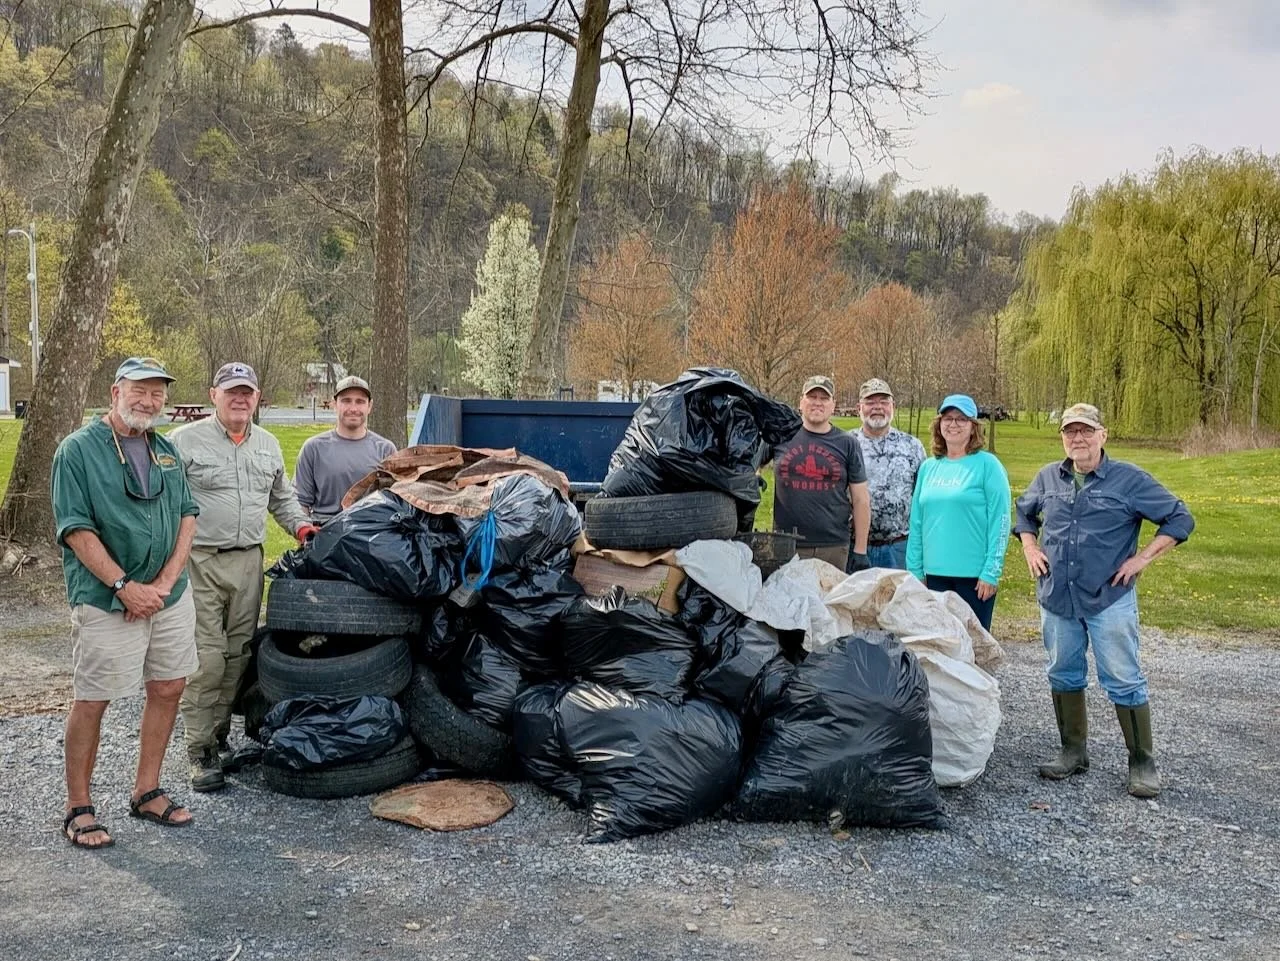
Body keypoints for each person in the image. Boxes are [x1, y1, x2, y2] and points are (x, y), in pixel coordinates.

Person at [51, 357, 200, 847]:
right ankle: (79, 806)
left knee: (169, 686)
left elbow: (187, 516)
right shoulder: (77, 451)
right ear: (116, 391)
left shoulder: (166, 451)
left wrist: (164, 583)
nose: (148, 401)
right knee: (94, 698)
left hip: (167, 596)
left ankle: (146, 790)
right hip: (106, 597)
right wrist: (123, 587)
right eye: (140, 390)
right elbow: (75, 528)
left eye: (157, 393)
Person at [1014, 403, 1194, 798]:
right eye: (1070, 432)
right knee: (1063, 672)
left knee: (1124, 678)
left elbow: (1180, 519)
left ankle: (1142, 763)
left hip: (1108, 599)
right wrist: (1029, 546)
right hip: (1057, 597)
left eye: (1085, 431)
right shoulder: (1048, 477)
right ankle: (1072, 752)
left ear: (1102, 435)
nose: (1077, 439)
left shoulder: (1129, 480)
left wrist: (1142, 558)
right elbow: (1024, 514)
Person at [170, 362, 319, 792]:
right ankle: (198, 751)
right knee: (205, 658)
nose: (240, 399)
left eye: (247, 392)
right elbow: (161, 505)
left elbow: (283, 501)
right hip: (199, 561)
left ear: (257, 398)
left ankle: (218, 739)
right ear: (213, 394)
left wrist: (302, 528)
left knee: (238, 655)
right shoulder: (183, 442)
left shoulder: (268, 445)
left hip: (248, 561)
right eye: (231, 391)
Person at [906, 393, 1010, 630]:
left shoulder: (988, 465)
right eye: (948, 418)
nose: (953, 424)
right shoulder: (929, 467)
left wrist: (991, 571)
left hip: (974, 580)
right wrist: (914, 570)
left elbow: (1001, 520)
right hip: (933, 576)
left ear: (973, 427)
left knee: (973, 652)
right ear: (939, 424)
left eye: (961, 419)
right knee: (937, 647)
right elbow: (917, 522)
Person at [770, 375, 870, 570]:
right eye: (812, 397)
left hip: (833, 547)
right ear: (801, 402)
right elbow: (749, 463)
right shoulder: (781, 436)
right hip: (786, 545)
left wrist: (860, 550)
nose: (817, 403)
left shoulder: (847, 443)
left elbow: (861, 499)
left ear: (833, 405)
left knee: (830, 601)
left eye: (824, 398)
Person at [294, 375, 398, 523]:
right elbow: (300, 502)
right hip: (325, 533)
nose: (353, 408)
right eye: (346, 401)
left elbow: (395, 503)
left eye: (360, 401)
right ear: (334, 404)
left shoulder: (386, 450)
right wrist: (305, 535)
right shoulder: (313, 449)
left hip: (371, 534)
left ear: (370, 406)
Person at [851, 377, 926, 571]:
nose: (877, 407)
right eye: (870, 402)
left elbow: (923, 499)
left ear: (892, 406)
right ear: (859, 407)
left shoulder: (912, 446)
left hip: (899, 548)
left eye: (883, 402)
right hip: (855, 547)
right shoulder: (846, 444)